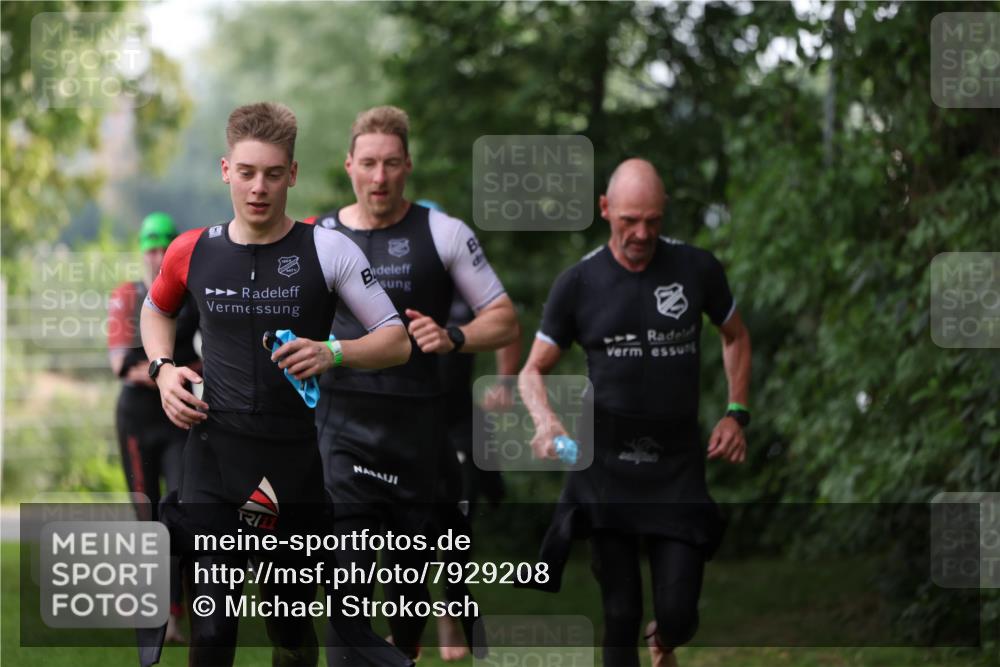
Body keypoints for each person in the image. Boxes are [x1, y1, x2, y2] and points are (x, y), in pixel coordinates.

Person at [139, 102, 412, 667]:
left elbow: (396, 338)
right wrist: (163, 370)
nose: (257, 188)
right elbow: (155, 310)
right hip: (213, 457)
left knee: (288, 628)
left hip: (291, 465)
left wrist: (335, 350)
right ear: (225, 171)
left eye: (271, 173)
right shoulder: (193, 249)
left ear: (292, 173)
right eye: (246, 172)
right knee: (212, 630)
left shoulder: (328, 249)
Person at [519, 159, 751, 667]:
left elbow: (735, 335)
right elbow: (531, 370)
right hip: (606, 466)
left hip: (676, 463)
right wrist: (546, 421)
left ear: (663, 212)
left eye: (652, 220)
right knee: (619, 614)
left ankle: (665, 638)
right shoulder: (578, 284)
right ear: (605, 210)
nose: (641, 232)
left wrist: (736, 413)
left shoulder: (697, 269)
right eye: (629, 221)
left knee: (679, 613)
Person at [311, 106, 519, 664]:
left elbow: (503, 319)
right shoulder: (319, 237)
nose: (379, 177)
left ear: (408, 167)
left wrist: (453, 336)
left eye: (392, 164)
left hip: (418, 439)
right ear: (349, 165)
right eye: (369, 164)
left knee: (408, 598)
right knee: (346, 586)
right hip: (342, 433)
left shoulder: (443, 233)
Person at [108, 211, 199, 644]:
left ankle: (181, 615)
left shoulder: (192, 296)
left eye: (166, 247)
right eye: (152, 247)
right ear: (142, 251)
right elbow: (120, 364)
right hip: (137, 421)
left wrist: (168, 372)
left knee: (181, 513)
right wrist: (173, 371)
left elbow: (212, 354)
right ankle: (161, 619)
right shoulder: (127, 296)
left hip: (179, 418)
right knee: (147, 519)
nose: (159, 255)